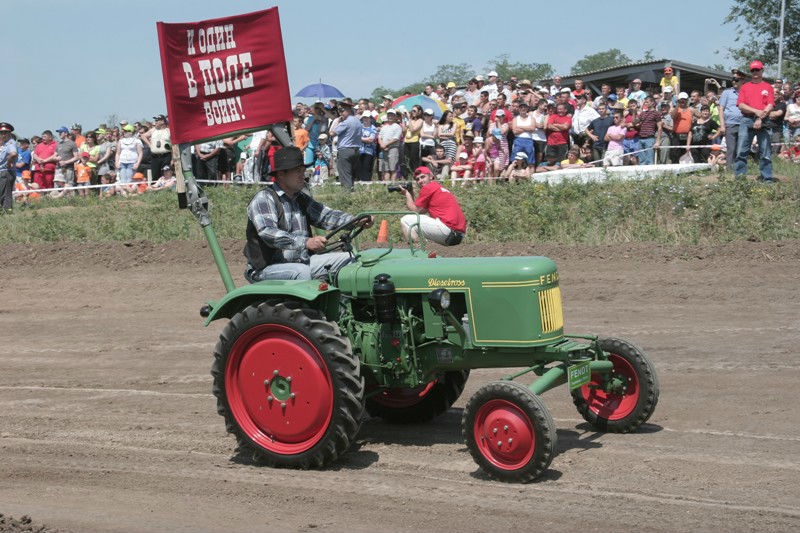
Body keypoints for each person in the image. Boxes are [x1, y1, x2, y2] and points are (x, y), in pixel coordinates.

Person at [244, 146, 372, 282]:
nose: (303, 175)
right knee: (301, 271)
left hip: (300, 263)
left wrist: (355, 221)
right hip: (266, 268)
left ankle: (343, 301)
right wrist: (306, 242)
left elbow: (326, 215)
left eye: (303, 170)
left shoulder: (300, 198)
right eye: (297, 171)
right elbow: (268, 232)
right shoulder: (264, 198)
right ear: (281, 174)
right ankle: (311, 304)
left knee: (350, 259)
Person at [397, 166, 467, 246]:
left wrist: (407, 194)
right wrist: (411, 192)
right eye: (417, 179)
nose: (420, 181)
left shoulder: (428, 187)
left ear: (430, 176)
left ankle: (417, 250)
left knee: (405, 220)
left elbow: (414, 210)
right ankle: (421, 247)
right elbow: (420, 211)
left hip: (448, 231)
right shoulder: (437, 187)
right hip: (458, 235)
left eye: (423, 177)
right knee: (413, 221)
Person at [735, 60, 775, 182]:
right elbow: (741, 105)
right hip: (747, 120)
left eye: (757, 69)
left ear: (762, 70)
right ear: (751, 72)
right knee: (741, 151)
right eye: (753, 70)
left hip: (764, 120)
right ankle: (740, 180)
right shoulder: (745, 87)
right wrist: (756, 111)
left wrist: (759, 117)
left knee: (766, 152)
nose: (755, 72)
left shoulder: (768, 87)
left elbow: (770, 105)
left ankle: (767, 179)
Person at [331, 98, 361, 191]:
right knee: (351, 173)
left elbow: (332, 133)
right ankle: (351, 191)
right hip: (355, 150)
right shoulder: (357, 121)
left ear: (348, 110)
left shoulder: (345, 122)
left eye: (341, 110)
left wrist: (337, 121)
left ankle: (346, 195)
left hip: (345, 150)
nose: (340, 113)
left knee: (344, 174)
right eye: (339, 110)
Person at [718, 71, 744, 170]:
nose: (734, 81)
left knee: (741, 149)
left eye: (736, 79)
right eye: (733, 79)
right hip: (730, 124)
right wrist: (722, 125)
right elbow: (721, 109)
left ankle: (740, 169)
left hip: (743, 124)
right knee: (731, 149)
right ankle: (729, 169)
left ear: (742, 80)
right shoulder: (726, 92)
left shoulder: (746, 92)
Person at [0, 122, 17, 211]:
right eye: (1, 133)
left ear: (9, 133)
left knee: (5, 193)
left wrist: (9, 161)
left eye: (5, 132)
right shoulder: (4, 144)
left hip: (7, 171)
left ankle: (7, 211)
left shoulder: (10, 143)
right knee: (2, 192)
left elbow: (13, 153)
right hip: (3, 171)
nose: (3, 134)